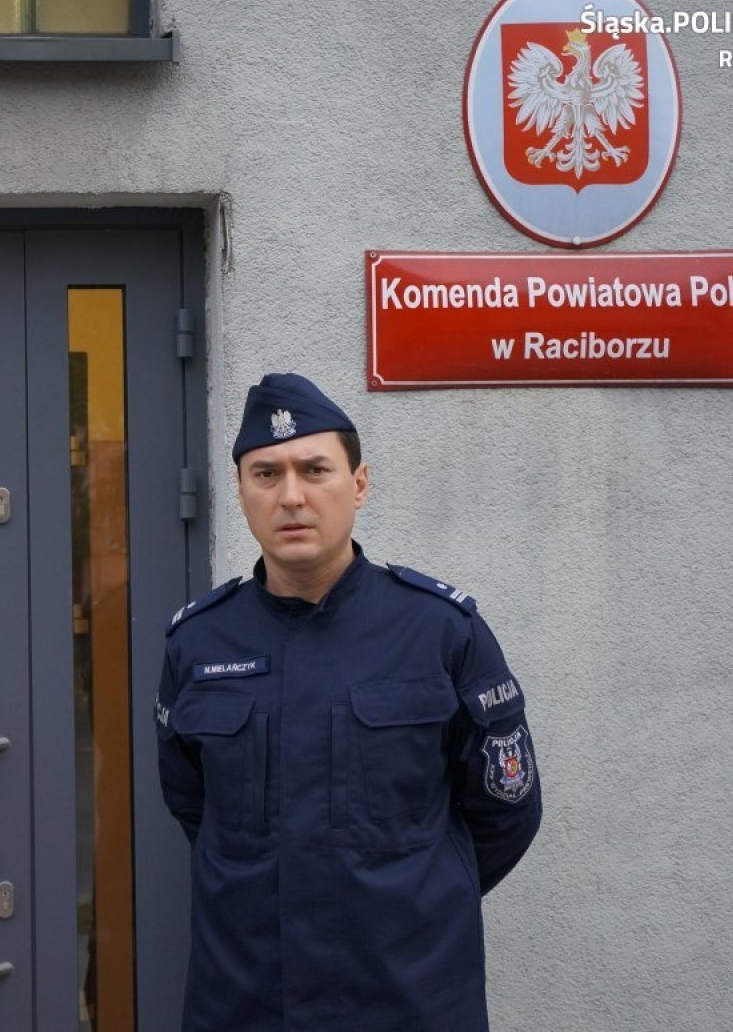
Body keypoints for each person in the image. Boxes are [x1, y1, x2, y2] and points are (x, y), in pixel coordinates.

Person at [156, 374, 542, 1031]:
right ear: (240, 491)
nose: (291, 496)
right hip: (247, 1001)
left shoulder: (441, 633)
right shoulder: (197, 643)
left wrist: (410, 903)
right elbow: (193, 805)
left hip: (409, 1001)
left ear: (359, 484)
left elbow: (507, 808)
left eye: (315, 469)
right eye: (266, 474)